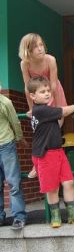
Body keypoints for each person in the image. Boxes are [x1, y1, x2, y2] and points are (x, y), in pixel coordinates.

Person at [28, 76, 74, 228]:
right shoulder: (42, 110)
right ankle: (55, 217)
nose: (47, 93)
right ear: (33, 96)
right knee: (52, 188)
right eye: (42, 91)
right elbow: (65, 111)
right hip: (46, 154)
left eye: (48, 90)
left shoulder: (41, 110)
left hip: (58, 152)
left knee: (68, 182)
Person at [19, 33, 68, 179]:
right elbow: (28, 88)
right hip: (38, 97)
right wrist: (32, 109)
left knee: (55, 127)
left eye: (41, 45)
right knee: (40, 129)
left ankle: (52, 161)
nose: (40, 48)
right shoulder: (25, 64)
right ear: (28, 50)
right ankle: (37, 163)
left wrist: (55, 108)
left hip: (53, 93)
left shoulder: (50, 60)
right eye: (35, 47)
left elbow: (53, 85)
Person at [0, 86, 27, 229]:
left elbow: (15, 122)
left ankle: (19, 217)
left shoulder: (5, 102)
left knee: (13, 183)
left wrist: (19, 138)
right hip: (6, 146)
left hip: (6, 145)